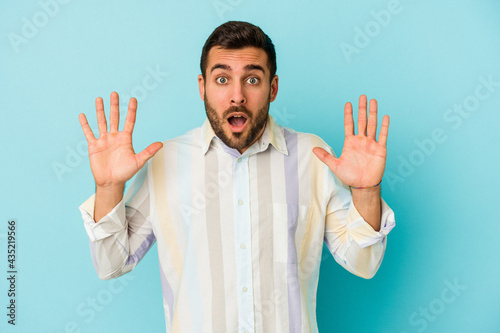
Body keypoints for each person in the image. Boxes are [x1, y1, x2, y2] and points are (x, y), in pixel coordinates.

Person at [78, 21, 395, 333]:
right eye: (222, 79)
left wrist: (367, 191)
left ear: (273, 88)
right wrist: (108, 188)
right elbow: (111, 264)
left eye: (252, 80)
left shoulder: (312, 157)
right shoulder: (165, 161)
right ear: (202, 86)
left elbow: (363, 263)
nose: (237, 96)